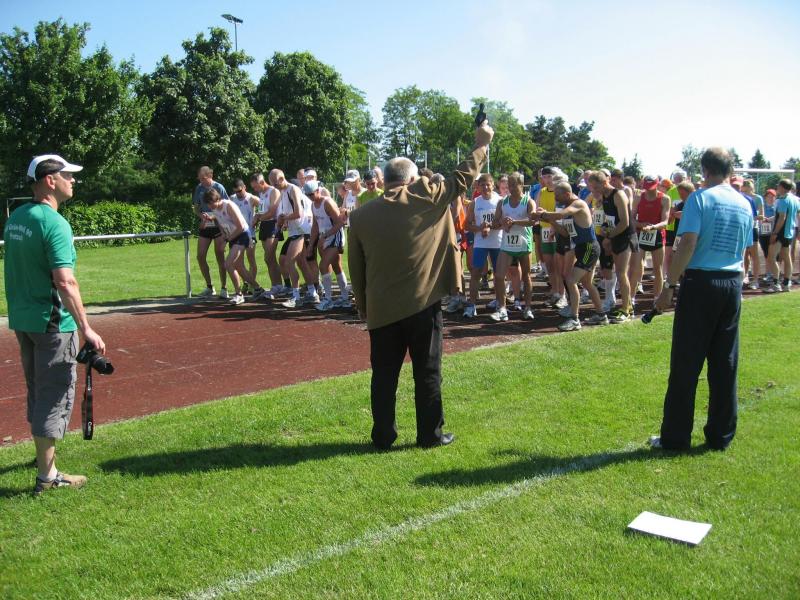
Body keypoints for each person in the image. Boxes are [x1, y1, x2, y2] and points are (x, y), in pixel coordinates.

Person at [348, 120, 494, 449]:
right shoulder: (424, 195)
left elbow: (355, 268)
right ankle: (430, 434)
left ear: (385, 180)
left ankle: (383, 436)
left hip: (381, 309)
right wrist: (482, 144)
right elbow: (462, 178)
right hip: (422, 304)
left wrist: (362, 306)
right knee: (427, 371)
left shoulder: (360, 216)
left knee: (383, 376)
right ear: (412, 180)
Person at [3, 154, 106, 495]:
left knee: (37, 388)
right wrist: (86, 328)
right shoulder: (55, 223)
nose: (73, 180)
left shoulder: (17, 217)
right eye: (67, 175)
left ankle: (42, 456)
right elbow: (65, 281)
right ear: (50, 180)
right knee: (54, 393)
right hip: (52, 324)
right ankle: (48, 476)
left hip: (24, 320)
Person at [650, 147, 753, 451]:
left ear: (705, 170)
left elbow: (688, 243)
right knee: (725, 363)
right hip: (731, 283)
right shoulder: (744, 202)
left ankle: (675, 437)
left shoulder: (700, 198)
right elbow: (744, 248)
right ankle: (721, 436)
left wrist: (669, 285)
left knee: (686, 362)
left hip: (701, 283)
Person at [537, 182, 606, 330]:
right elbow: (565, 233)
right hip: (582, 248)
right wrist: (550, 220)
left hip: (589, 248)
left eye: (557, 196)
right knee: (587, 283)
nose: (555, 199)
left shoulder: (578, 204)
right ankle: (601, 315)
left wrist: (543, 214)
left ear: (567, 194)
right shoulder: (568, 206)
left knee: (571, 280)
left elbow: (561, 214)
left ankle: (574, 319)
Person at [202, 188, 265, 305]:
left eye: (211, 203)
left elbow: (240, 226)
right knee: (239, 266)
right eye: (208, 204)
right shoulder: (215, 209)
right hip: (233, 236)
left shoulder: (228, 205)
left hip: (242, 234)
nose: (210, 206)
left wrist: (227, 240)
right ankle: (258, 288)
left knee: (228, 264)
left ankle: (239, 294)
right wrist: (212, 221)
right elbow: (220, 221)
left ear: (217, 199)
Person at [589, 170, 638, 322]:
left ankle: (627, 309)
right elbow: (610, 218)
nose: (594, 191)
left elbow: (625, 222)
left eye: (596, 187)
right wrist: (605, 229)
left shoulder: (618, 195)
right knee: (618, 272)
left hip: (625, 236)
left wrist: (608, 237)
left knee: (622, 273)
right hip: (615, 236)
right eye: (592, 188)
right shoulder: (604, 196)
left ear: (605, 182)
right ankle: (626, 306)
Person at [490, 172, 535, 322]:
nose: (511, 188)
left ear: (521, 185)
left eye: (514, 185)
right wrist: (502, 222)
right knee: (499, 276)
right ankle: (502, 309)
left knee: (526, 276)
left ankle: (528, 307)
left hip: (524, 244)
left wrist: (514, 222)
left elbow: (532, 221)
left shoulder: (528, 201)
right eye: (509, 185)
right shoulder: (502, 202)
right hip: (507, 244)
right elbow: (494, 223)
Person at [305, 180, 350, 310]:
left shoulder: (327, 203)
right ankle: (345, 299)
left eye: (312, 194)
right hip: (325, 237)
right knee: (336, 267)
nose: (310, 197)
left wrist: (325, 236)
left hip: (335, 236)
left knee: (323, 266)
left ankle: (328, 299)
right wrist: (311, 245)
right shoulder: (313, 205)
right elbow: (315, 226)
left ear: (318, 191)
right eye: (308, 195)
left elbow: (340, 223)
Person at [463, 173, 502, 318]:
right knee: (475, 273)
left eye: (488, 184)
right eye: (482, 185)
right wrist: (480, 228)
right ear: (478, 187)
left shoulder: (500, 201)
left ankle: (500, 303)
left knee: (499, 275)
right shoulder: (475, 203)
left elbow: (503, 222)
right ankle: (472, 305)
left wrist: (490, 226)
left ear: (493, 185)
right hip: (481, 243)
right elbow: (467, 224)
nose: (485, 187)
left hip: (497, 242)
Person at [630, 175, 670, 303]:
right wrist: (641, 225)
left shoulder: (664, 199)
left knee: (658, 269)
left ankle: (657, 298)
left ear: (657, 185)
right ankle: (631, 298)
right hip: (641, 234)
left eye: (651, 187)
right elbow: (631, 218)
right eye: (646, 187)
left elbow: (665, 221)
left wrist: (653, 227)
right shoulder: (638, 197)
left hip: (657, 235)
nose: (649, 190)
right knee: (635, 267)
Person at [192, 166, 229, 298]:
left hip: (219, 226)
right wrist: (202, 216)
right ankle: (209, 287)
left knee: (220, 255)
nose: (201, 181)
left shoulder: (219, 187)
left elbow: (226, 207)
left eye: (203, 178)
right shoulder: (199, 188)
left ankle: (224, 288)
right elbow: (196, 208)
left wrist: (214, 216)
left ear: (210, 176)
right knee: (200, 256)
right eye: (199, 179)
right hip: (205, 225)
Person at [250, 172, 284, 298]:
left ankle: (278, 285)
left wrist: (259, 218)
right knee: (270, 259)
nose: (255, 189)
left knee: (268, 257)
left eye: (255, 186)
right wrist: (256, 218)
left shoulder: (273, 191)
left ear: (262, 182)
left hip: (273, 224)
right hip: (264, 226)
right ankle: (276, 286)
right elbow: (261, 210)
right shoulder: (261, 194)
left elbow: (272, 212)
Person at [763, 179, 799, 293]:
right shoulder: (795, 200)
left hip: (781, 232)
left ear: (783, 187)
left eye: (778, 186)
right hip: (790, 232)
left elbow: (782, 218)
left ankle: (776, 283)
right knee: (787, 257)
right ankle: (786, 283)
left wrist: (775, 233)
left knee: (771, 257)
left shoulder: (783, 200)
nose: (777, 188)